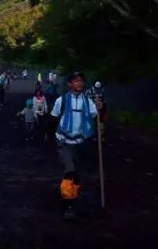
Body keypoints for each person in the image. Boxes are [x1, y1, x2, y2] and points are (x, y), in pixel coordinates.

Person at [49, 71, 101, 220]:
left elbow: (98, 118)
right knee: (69, 170)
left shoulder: (88, 102)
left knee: (77, 175)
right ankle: (68, 204)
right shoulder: (61, 101)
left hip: (81, 142)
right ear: (69, 84)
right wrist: (48, 136)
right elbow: (52, 118)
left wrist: (101, 108)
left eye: (81, 81)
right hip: (64, 141)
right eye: (76, 81)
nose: (79, 83)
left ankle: (70, 196)